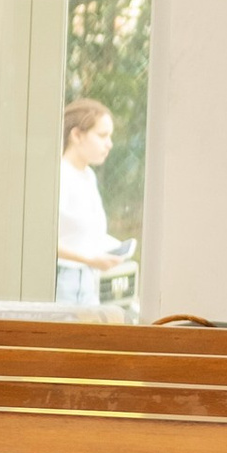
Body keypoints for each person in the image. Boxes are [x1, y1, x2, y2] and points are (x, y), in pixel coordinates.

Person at [56, 99, 130, 305]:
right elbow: (42, 241)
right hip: (62, 282)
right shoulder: (59, 176)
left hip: (87, 281)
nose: (109, 144)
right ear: (77, 135)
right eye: (102, 135)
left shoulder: (88, 175)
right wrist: (89, 259)